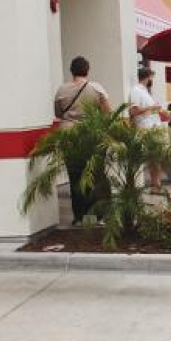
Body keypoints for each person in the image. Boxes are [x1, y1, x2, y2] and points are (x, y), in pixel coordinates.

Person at [53, 56, 111, 225]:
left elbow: (58, 113)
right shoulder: (96, 87)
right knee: (97, 175)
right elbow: (108, 112)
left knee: (74, 176)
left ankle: (79, 217)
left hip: (69, 135)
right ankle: (99, 217)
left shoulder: (61, 90)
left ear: (71, 71)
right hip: (91, 135)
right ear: (87, 70)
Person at [128, 67, 166, 193]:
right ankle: (155, 185)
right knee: (152, 158)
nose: (152, 80)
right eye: (151, 77)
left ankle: (156, 185)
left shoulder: (144, 91)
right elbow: (133, 111)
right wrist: (151, 107)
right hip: (145, 129)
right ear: (148, 77)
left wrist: (160, 112)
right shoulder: (136, 90)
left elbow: (148, 111)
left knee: (155, 158)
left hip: (153, 128)